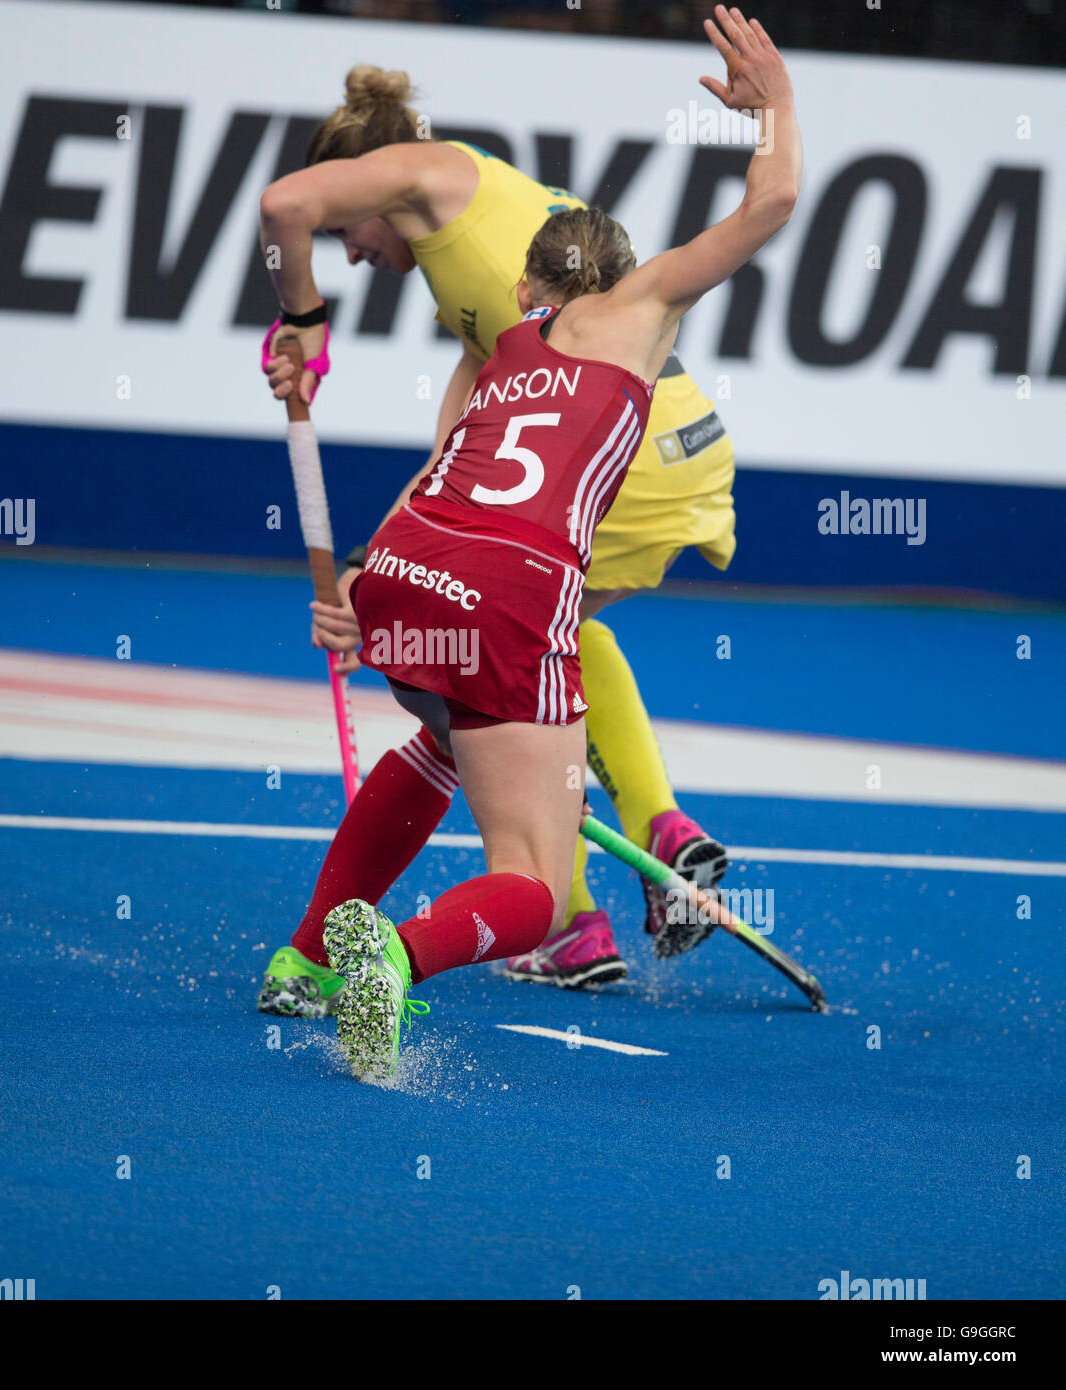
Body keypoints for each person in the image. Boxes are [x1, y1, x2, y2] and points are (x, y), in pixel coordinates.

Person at [318, 6, 800, 1078]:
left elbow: (441, 466)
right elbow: (774, 200)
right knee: (531, 883)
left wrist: (359, 574)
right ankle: (399, 954)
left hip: (404, 574)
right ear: (629, 287)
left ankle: (314, 945)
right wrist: (777, 105)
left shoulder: (501, 344)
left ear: (526, 291)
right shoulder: (642, 318)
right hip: (509, 598)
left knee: (452, 741)